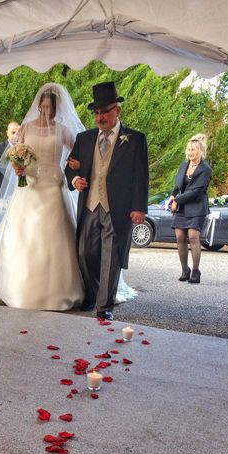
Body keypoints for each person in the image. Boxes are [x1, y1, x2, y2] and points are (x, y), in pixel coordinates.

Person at [0, 83, 84, 310]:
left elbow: (78, 151)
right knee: (24, 233)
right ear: (38, 106)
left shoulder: (62, 130)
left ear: (56, 109)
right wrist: (17, 166)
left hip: (54, 185)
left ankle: (60, 288)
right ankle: (19, 285)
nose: (46, 112)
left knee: (55, 235)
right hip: (30, 184)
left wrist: (75, 163)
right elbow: (13, 153)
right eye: (43, 107)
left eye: (50, 109)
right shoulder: (26, 128)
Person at [65, 81, 149, 321]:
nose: (100, 117)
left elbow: (141, 176)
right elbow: (69, 168)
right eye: (97, 113)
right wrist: (75, 180)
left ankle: (104, 306)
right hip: (90, 205)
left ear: (117, 111)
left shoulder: (135, 139)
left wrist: (138, 207)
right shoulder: (84, 138)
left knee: (111, 256)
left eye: (105, 112)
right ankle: (92, 294)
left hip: (118, 207)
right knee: (84, 253)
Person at [168, 134, 212, 284]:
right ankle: (184, 269)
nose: (190, 152)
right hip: (182, 207)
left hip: (197, 207)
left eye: (193, 150)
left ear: (200, 151)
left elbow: (196, 191)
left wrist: (176, 200)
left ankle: (195, 271)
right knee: (180, 237)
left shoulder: (205, 169)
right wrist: (172, 196)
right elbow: (177, 185)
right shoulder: (184, 165)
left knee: (193, 237)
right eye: (188, 150)